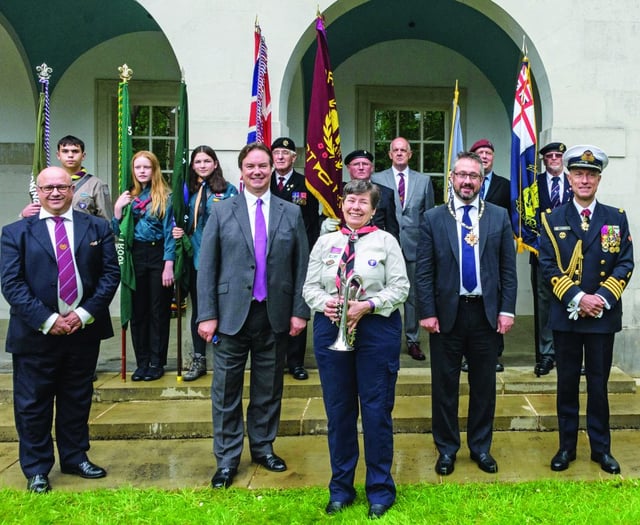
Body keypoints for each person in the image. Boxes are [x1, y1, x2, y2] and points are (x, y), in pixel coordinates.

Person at [197, 142, 309, 489]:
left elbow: (301, 265)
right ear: (241, 171)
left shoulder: (290, 212)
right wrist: (207, 314)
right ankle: (228, 459)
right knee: (226, 391)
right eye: (251, 167)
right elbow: (207, 266)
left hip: (274, 314)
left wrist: (299, 312)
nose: (258, 171)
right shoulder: (222, 210)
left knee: (268, 389)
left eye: (263, 166)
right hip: (230, 316)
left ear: (271, 169)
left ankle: (262, 447)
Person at [1, 166, 120, 493]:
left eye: (62, 187)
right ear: (37, 192)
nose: (55, 192)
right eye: (48, 187)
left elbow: (110, 275)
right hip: (35, 335)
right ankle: (37, 468)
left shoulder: (97, 227)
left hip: (82, 333)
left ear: (72, 189)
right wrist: (49, 320)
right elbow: (12, 284)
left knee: (76, 399)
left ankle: (75, 456)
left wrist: (82, 315)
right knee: (33, 404)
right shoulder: (15, 233)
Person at [303, 179, 409, 519]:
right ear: (342, 204)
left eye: (363, 202)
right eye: (351, 201)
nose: (356, 207)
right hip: (331, 329)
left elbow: (401, 287)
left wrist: (370, 304)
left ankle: (379, 490)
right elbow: (309, 288)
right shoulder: (325, 241)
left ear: (374, 209)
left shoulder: (386, 241)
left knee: (377, 412)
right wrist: (328, 303)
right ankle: (341, 489)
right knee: (339, 413)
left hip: (376, 329)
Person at [416, 151, 517, 476]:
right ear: (451, 178)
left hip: (486, 315)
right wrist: (427, 312)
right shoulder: (433, 218)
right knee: (444, 385)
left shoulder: (499, 216)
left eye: (474, 176)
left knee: (484, 386)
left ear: (482, 179)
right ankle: (446, 449)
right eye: (462, 175)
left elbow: (507, 270)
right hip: (447, 315)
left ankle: (480, 447)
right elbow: (424, 272)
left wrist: (507, 310)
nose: (467, 181)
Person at [539, 145, 633, 474]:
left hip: (602, 318)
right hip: (567, 317)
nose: (584, 180)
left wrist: (601, 299)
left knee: (598, 386)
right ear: (568, 178)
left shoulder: (615, 217)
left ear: (599, 179)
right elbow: (548, 267)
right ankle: (566, 448)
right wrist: (579, 298)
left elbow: (625, 263)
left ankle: (600, 449)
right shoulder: (552, 219)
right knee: (566, 385)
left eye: (590, 174)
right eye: (578, 174)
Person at [172, 145, 238, 381]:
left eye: (206, 161)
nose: (202, 165)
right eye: (197, 161)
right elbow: (175, 217)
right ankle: (198, 359)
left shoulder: (228, 191)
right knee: (200, 311)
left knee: (223, 309)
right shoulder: (185, 192)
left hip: (222, 260)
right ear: (192, 165)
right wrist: (176, 231)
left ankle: (224, 357)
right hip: (195, 258)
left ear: (215, 163)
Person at [113, 150, 175, 382]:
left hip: (158, 254)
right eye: (138, 167)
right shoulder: (128, 196)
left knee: (158, 311)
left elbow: (170, 233)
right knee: (138, 312)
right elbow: (116, 230)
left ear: (154, 169)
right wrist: (118, 210)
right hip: (135, 255)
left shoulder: (165, 197)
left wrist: (169, 264)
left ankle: (157, 362)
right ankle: (141, 363)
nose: (141, 171)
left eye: (146, 167)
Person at [373, 137, 435, 361]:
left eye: (403, 150)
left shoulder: (424, 180)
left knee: (412, 296)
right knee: (380, 293)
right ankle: (382, 339)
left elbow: (428, 217)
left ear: (410, 154)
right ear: (390, 154)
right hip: (383, 246)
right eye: (395, 150)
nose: (399, 153)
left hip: (414, 246)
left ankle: (412, 340)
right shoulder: (376, 179)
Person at [270, 137, 319, 380]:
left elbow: (311, 223)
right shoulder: (263, 182)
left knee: (297, 306)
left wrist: (307, 253)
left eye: (285, 153)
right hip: (269, 256)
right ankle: (275, 359)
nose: (280, 157)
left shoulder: (306, 184)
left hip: (298, 254)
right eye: (276, 152)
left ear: (294, 157)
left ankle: (296, 362)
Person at [464, 138, 511, 372]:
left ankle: (495, 354)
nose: (484, 156)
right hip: (466, 249)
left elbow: (511, 217)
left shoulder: (506, 184)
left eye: (488, 153)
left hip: (492, 249)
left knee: (495, 301)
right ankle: (466, 354)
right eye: (480, 152)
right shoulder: (462, 185)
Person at [532, 142, 573, 376]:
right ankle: (547, 353)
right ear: (544, 160)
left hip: (572, 254)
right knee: (545, 304)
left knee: (572, 300)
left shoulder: (572, 181)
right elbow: (527, 217)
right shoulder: (533, 185)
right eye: (550, 156)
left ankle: (570, 353)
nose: (555, 159)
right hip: (543, 253)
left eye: (558, 155)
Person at [20, 135, 113, 221]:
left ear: (83, 156)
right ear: (58, 155)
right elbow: (34, 214)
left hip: (84, 236)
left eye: (75, 151)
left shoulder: (96, 185)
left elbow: (106, 221)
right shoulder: (46, 181)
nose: (70, 155)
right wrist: (23, 215)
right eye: (65, 151)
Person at [321, 149, 400, 240]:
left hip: (374, 245)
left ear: (372, 168)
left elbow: (392, 228)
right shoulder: (338, 191)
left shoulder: (385, 193)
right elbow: (323, 216)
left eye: (365, 164)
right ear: (348, 168)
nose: (361, 167)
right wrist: (324, 225)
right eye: (356, 164)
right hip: (343, 244)